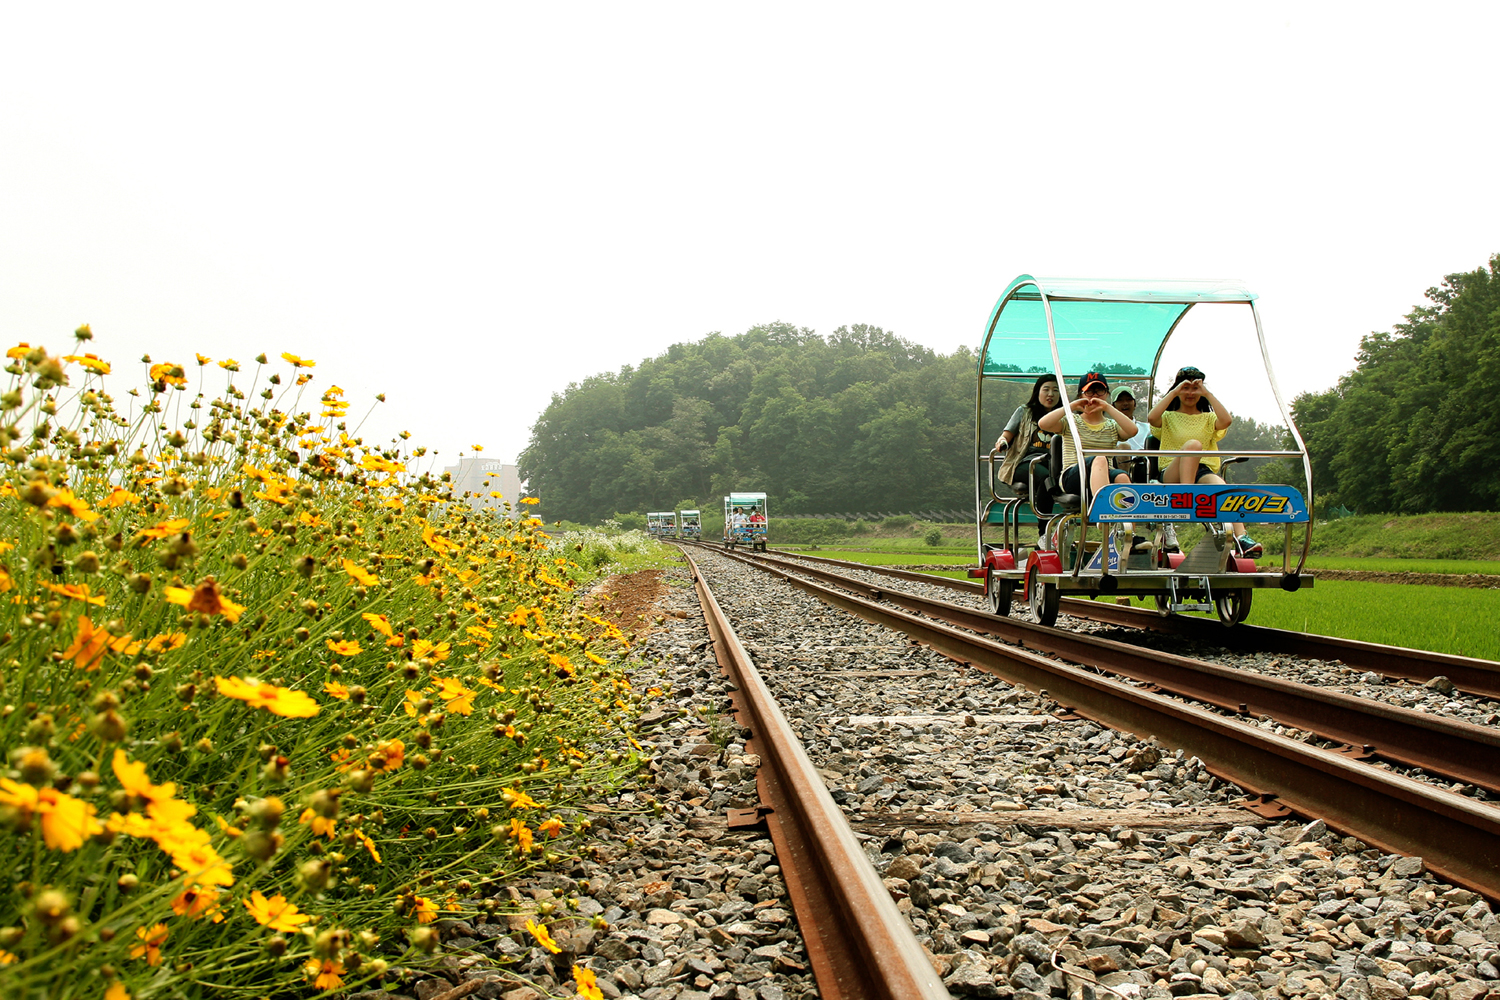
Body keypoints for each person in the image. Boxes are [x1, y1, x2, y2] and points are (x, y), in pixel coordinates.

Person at [1146, 365, 1262, 558]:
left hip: (1201, 471)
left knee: (1223, 487)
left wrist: (1207, 393)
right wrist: (1175, 391)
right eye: (1186, 388)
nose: (1190, 393)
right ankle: (1188, 494)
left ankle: (1242, 538)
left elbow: (1226, 421)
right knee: (1192, 445)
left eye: (1195, 388)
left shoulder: (1209, 418)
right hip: (1172, 471)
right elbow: (1152, 417)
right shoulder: (1168, 417)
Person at [1038, 372, 1138, 515]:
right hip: (1073, 476)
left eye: (1100, 391)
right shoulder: (1071, 421)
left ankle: (1128, 531)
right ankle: (1103, 515)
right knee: (1100, 458)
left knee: (1122, 476)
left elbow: (1132, 430)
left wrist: (1108, 408)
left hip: (1105, 472)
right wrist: (1071, 406)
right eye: (1089, 391)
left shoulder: (1111, 425)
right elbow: (1043, 424)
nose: (1095, 396)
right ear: (1081, 395)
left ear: (1107, 395)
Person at [993, 373, 1060, 491]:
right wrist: (1002, 442)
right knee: (1046, 478)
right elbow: (1005, 437)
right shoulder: (1024, 412)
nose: (1051, 394)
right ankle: (1044, 509)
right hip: (1025, 462)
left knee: (1057, 476)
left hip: (1052, 463)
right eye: (1046, 389)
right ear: (1037, 392)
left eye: (1055, 390)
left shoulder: (1064, 417)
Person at [1109, 385, 1149, 472]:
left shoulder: (1147, 428)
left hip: (1143, 468)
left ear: (1135, 404)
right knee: (1123, 446)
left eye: (1129, 399)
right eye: (1120, 400)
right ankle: (1125, 482)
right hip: (1116, 468)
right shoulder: (1108, 427)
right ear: (1113, 406)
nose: (1125, 403)